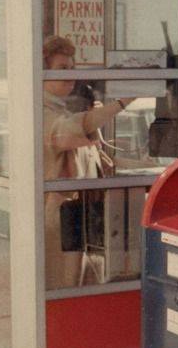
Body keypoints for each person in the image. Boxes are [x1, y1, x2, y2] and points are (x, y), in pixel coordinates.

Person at [43, 35, 132, 289]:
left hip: (81, 216)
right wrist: (122, 102)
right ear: (43, 72)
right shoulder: (42, 114)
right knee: (66, 284)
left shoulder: (62, 109)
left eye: (72, 69)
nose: (70, 75)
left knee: (82, 283)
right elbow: (70, 131)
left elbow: (95, 158)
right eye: (61, 69)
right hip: (61, 220)